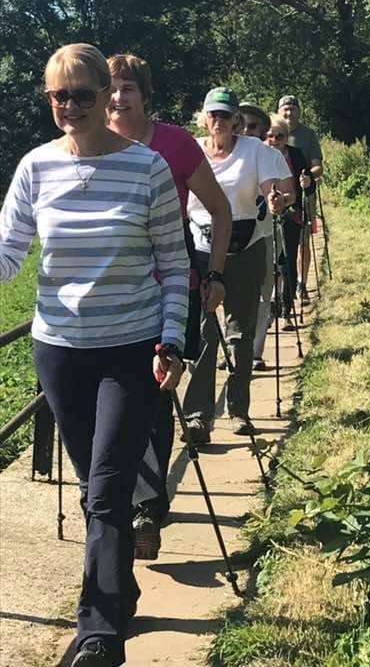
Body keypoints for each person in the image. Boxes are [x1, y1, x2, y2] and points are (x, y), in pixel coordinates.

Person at [0, 43, 189, 667]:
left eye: (82, 93)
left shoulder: (147, 169)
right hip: (58, 350)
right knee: (93, 486)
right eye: (59, 96)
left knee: (107, 489)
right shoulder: (35, 168)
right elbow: (8, 253)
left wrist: (173, 338)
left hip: (132, 350)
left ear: (106, 95)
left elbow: (174, 264)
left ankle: (99, 631)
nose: (71, 106)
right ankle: (120, 587)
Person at [106, 54, 232, 561]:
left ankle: (144, 511)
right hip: (109, 298)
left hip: (166, 289)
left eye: (126, 88)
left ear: (144, 93)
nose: (117, 98)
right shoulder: (88, 146)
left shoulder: (176, 144)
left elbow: (220, 211)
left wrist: (217, 274)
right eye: (109, 88)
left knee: (155, 396)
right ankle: (127, 503)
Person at [185, 87, 293, 444]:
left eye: (226, 116)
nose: (219, 122)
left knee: (240, 333)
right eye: (212, 115)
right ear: (203, 118)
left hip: (246, 246)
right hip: (200, 249)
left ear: (236, 121)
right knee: (203, 333)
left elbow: (276, 189)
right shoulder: (192, 151)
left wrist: (276, 199)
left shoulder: (256, 151)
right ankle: (198, 416)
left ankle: (238, 410)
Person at [239, 101, 293, 370]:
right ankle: (235, 346)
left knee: (263, 294)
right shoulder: (219, 155)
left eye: (252, 126)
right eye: (241, 124)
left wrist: (280, 200)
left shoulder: (272, 156)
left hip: (265, 232)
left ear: (262, 130)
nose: (246, 131)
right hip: (230, 235)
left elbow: (289, 193)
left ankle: (254, 352)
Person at [265, 115, 316, 331]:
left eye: (280, 136)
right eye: (270, 136)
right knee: (269, 265)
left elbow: (310, 187)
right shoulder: (260, 156)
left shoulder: (296, 155)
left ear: (286, 138)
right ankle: (269, 308)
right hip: (265, 216)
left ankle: (286, 310)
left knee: (287, 262)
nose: (275, 140)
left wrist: (307, 182)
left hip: (291, 213)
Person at [277, 95, 323, 301]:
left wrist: (308, 177)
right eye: (285, 109)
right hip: (277, 195)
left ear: (299, 112)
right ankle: (279, 291)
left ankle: (301, 284)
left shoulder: (308, 135)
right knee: (278, 245)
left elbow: (318, 166)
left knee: (302, 241)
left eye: (293, 109)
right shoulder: (272, 133)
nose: (289, 113)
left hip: (303, 194)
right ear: (279, 112)